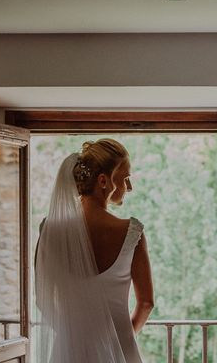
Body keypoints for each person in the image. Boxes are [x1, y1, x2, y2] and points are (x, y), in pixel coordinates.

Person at [34, 138, 154, 363]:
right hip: (121, 349)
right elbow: (146, 303)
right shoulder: (131, 232)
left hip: (69, 351)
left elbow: (42, 300)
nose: (129, 187)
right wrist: (119, 339)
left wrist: (75, 335)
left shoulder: (49, 230)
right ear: (103, 181)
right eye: (125, 178)